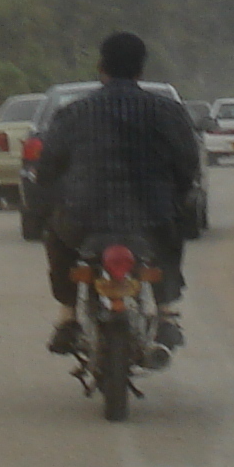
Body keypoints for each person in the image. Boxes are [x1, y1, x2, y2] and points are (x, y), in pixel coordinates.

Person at [34, 31, 201, 356]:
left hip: (82, 221)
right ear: (141, 70)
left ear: (101, 67)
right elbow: (188, 165)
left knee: (56, 237)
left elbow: (48, 168)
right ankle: (166, 312)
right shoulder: (167, 112)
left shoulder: (73, 113)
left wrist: (54, 198)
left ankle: (67, 317)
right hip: (151, 221)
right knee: (171, 236)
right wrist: (175, 197)